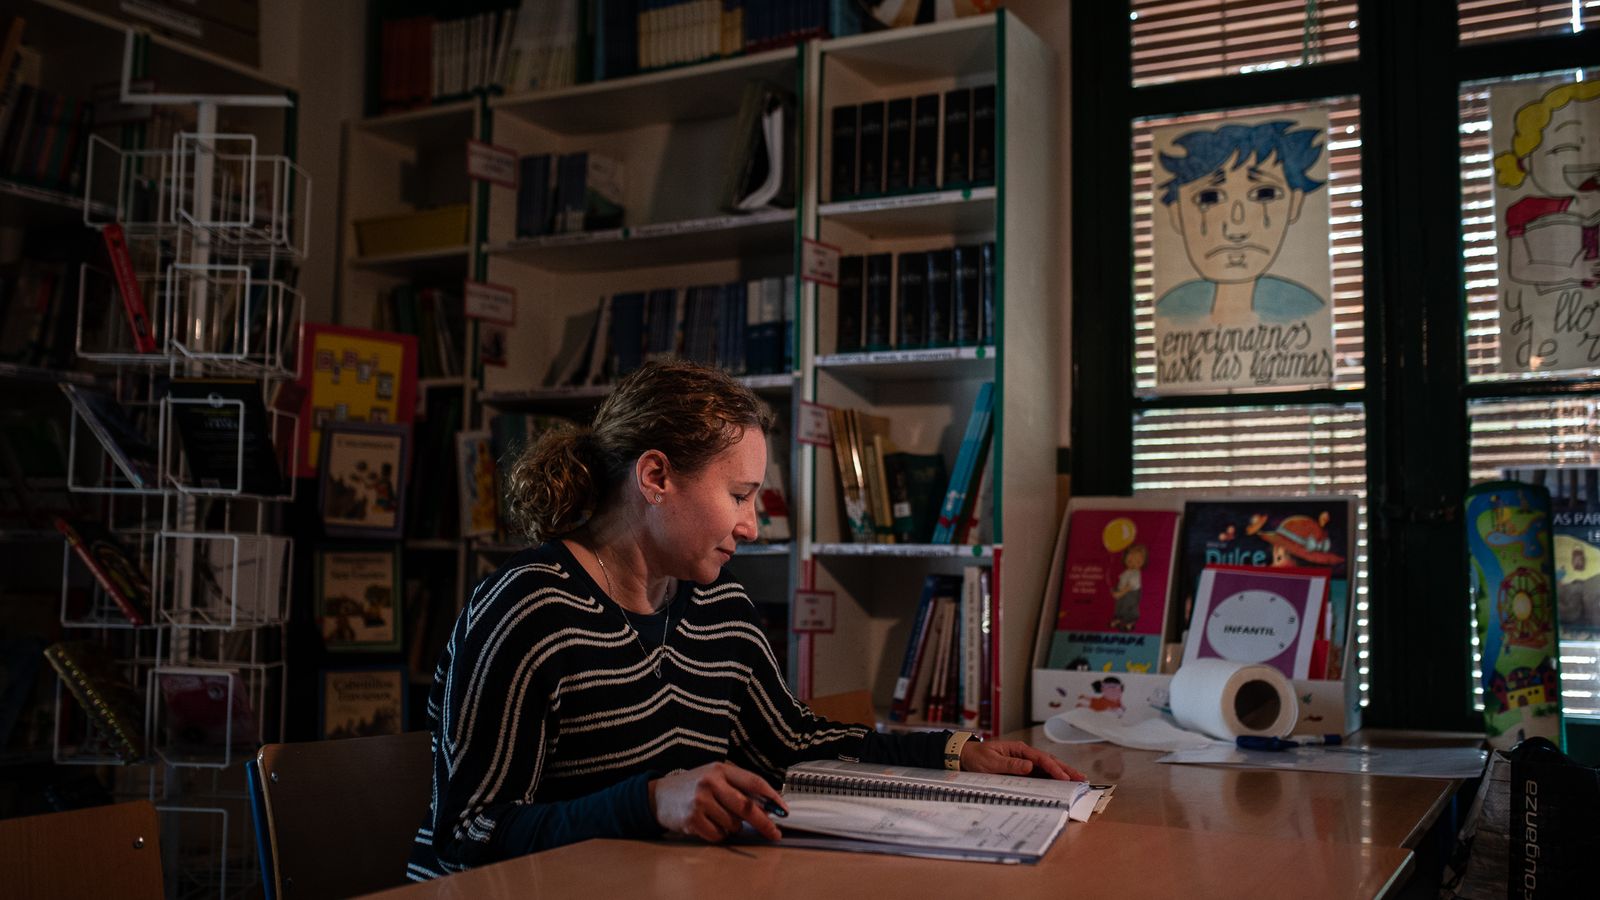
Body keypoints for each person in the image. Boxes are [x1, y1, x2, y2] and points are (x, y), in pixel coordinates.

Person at [406, 360, 1082, 880]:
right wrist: (649, 802)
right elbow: (467, 835)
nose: (752, 527)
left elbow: (791, 742)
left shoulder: (719, 609)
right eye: (738, 495)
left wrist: (954, 752)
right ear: (656, 477)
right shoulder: (526, 609)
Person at [1154, 120, 1327, 325]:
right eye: (1209, 198)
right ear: (1176, 212)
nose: (1237, 227)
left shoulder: (1306, 311)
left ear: (1295, 204)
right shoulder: (1171, 311)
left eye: (1264, 194)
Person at [1492, 80, 1600, 293]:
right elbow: (1520, 269)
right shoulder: (1525, 211)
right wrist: (1573, 272)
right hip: (1551, 314)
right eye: (1563, 148)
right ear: (1528, 161)